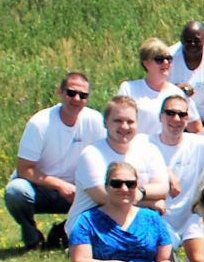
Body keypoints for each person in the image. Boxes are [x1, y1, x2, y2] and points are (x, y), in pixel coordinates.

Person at [4, 72, 106, 250]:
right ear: (60, 92)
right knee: (15, 192)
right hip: (40, 188)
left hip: (80, 190)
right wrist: (60, 185)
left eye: (83, 95)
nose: (76, 99)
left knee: (113, 191)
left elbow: (106, 159)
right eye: (71, 93)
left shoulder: (95, 121)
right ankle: (32, 237)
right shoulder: (40, 123)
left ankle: (63, 231)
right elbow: (24, 169)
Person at [71, 96, 173, 225]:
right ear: (105, 122)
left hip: (134, 224)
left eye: (130, 122)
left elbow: (162, 188)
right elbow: (103, 197)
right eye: (118, 121)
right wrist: (150, 203)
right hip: (92, 225)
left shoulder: (149, 149)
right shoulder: (91, 154)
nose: (124, 127)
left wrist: (140, 192)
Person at [151, 93, 204, 243]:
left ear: (187, 119)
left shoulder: (201, 145)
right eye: (170, 113)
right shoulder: (146, 144)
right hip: (156, 220)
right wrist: (166, 171)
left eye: (182, 115)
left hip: (192, 223)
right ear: (160, 116)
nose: (176, 119)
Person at [118, 38, 191, 137]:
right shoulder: (128, 89)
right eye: (159, 59)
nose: (166, 62)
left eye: (169, 58)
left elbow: (196, 127)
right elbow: (118, 123)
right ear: (146, 63)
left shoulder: (178, 93)